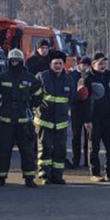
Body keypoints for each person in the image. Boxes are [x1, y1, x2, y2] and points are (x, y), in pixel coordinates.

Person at [0, 48, 42, 188]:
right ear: (8, 61)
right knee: (3, 150)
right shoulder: (1, 77)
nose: (14, 63)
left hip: (24, 122)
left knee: (27, 151)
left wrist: (30, 105)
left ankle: (29, 177)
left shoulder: (29, 78)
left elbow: (38, 94)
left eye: (17, 61)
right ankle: (0, 178)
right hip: (5, 120)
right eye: (12, 60)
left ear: (21, 61)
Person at [34, 49, 82, 185]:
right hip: (44, 120)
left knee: (60, 149)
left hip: (61, 122)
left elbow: (71, 98)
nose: (58, 66)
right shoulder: (42, 77)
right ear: (50, 64)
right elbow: (33, 96)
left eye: (60, 63)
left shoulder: (69, 79)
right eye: (55, 63)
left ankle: (58, 175)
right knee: (45, 148)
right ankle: (44, 174)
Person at [80, 52, 110, 182]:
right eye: (100, 63)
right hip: (94, 119)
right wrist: (87, 119)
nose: (103, 66)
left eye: (104, 63)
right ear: (93, 64)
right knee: (94, 147)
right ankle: (95, 173)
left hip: (109, 118)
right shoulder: (87, 78)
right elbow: (84, 101)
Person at [68, 56, 92, 168]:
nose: (85, 67)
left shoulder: (91, 77)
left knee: (89, 137)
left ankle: (88, 161)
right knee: (76, 136)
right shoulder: (72, 75)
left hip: (88, 109)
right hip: (75, 109)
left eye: (87, 65)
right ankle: (75, 160)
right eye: (83, 64)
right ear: (79, 64)